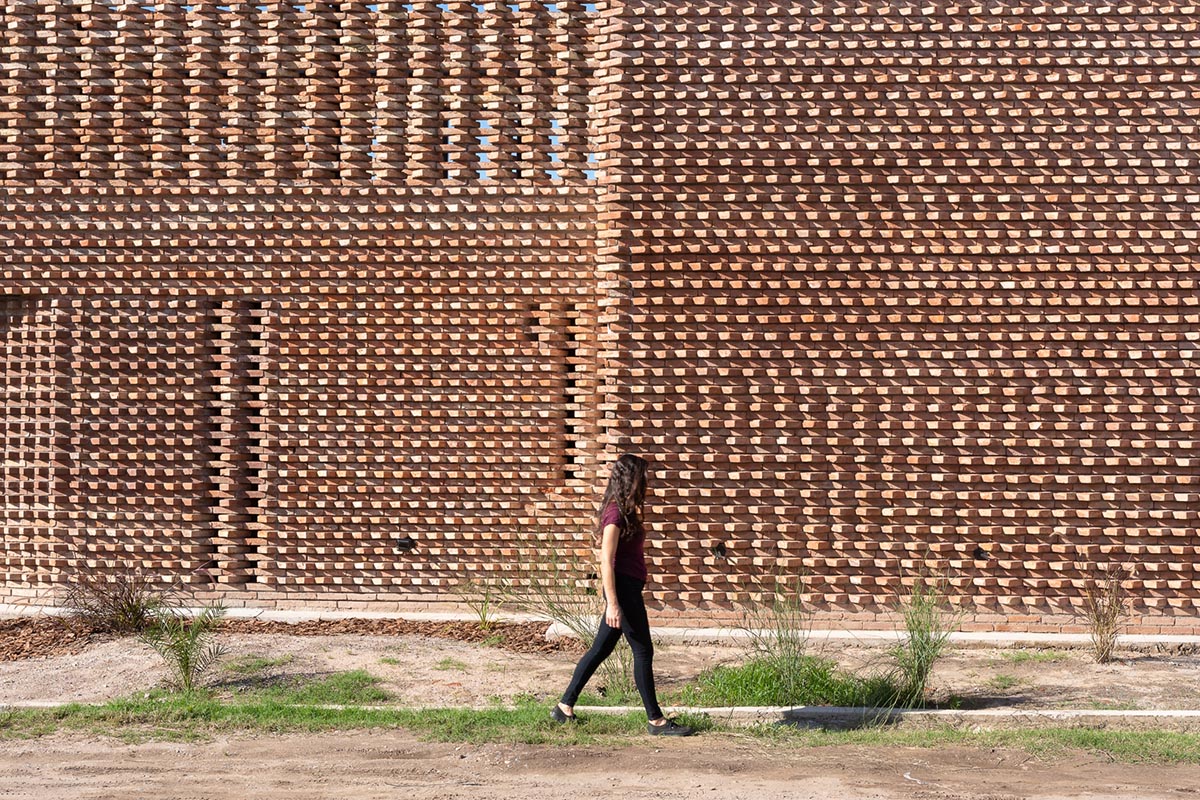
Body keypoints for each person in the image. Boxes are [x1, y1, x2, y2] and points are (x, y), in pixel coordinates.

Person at [551, 453, 694, 736]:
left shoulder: (625, 511)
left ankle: (564, 707)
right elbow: (606, 560)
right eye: (643, 477)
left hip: (628, 587)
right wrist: (613, 604)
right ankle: (656, 721)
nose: (647, 482)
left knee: (601, 649)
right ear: (631, 479)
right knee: (643, 650)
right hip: (622, 590)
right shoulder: (615, 513)